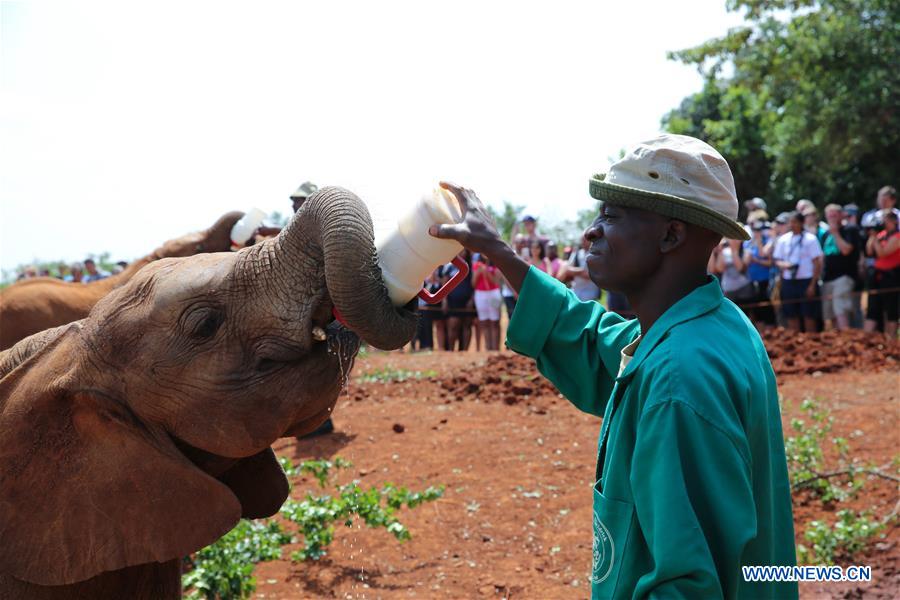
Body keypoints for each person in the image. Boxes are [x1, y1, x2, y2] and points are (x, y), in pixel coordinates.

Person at [430, 134, 796, 599]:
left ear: (670, 234)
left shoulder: (677, 378)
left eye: (611, 216)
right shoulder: (705, 327)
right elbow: (589, 335)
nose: (590, 232)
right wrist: (501, 253)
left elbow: (686, 587)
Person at [772, 211, 823, 332]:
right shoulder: (783, 239)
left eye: (795, 222)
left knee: (809, 315)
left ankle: (811, 344)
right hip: (788, 281)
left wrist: (812, 285)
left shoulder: (810, 239)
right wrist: (784, 265)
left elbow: (817, 263)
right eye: (790, 222)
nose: (792, 224)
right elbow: (777, 260)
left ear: (801, 223)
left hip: (806, 280)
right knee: (791, 314)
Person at [819, 204, 862, 330]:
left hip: (844, 276)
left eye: (834, 215)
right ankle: (836, 343)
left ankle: (846, 339)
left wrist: (836, 233)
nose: (832, 218)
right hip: (827, 278)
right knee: (830, 313)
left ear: (841, 215)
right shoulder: (826, 234)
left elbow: (846, 250)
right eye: (829, 215)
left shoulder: (850, 229)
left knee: (840, 309)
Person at [864, 211, 900, 339]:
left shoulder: (897, 236)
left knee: (891, 310)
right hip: (877, 277)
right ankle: (868, 339)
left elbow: (883, 253)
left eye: (887, 220)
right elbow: (869, 251)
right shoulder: (881, 235)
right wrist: (873, 236)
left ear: (894, 221)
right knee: (873, 308)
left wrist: (875, 240)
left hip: (892, 277)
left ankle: (891, 341)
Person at [743, 220, 776, 330]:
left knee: (767, 307)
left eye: (758, 230)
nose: (756, 232)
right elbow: (746, 262)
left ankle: (770, 331)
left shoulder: (767, 241)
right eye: (754, 230)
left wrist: (756, 260)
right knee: (756, 309)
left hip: (765, 281)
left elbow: (768, 260)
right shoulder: (747, 243)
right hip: (752, 281)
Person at [472, 254, 502, 351]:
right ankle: (488, 348)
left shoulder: (496, 264)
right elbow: (473, 283)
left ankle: (495, 348)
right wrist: (478, 273)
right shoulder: (477, 265)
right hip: (480, 294)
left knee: (495, 322)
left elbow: (496, 281)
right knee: (484, 322)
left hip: (494, 294)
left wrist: (486, 272)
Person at [562, 237, 601, 301]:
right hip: (575, 292)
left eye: (585, 240)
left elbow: (591, 275)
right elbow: (567, 270)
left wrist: (576, 272)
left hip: (591, 294)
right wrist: (581, 271)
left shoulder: (596, 254)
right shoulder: (576, 253)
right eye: (582, 240)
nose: (583, 242)